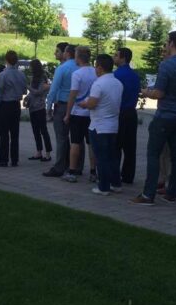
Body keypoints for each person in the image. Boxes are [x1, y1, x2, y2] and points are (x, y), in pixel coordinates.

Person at [131, 31, 176, 205]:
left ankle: (148, 194)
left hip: (164, 116)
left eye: (167, 42)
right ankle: (171, 192)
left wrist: (145, 92)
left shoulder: (166, 65)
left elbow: (159, 93)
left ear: (172, 43)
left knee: (153, 153)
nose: (165, 45)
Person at [79, 53, 123, 195]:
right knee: (112, 157)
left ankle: (103, 186)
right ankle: (116, 183)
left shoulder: (98, 83)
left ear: (100, 68)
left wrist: (84, 104)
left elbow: (92, 103)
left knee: (102, 157)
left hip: (99, 125)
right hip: (113, 125)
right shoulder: (118, 83)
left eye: (96, 66)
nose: (95, 69)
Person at [63, 46, 96, 183]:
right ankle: (93, 172)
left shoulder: (77, 74)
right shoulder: (96, 72)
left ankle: (72, 171)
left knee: (75, 142)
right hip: (91, 113)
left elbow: (72, 95)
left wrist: (67, 114)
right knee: (91, 144)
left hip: (77, 113)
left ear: (78, 57)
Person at [44, 42, 76, 177]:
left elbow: (53, 89)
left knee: (61, 138)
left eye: (57, 51)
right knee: (76, 139)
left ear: (65, 53)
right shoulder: (81, 67)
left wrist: (48, 107)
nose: (55, 53)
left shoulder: (62, 68)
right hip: (78, 106)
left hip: (62, 105)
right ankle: (75, 166)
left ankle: (59, 167)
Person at [0, 50, 27, 167]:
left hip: (5, 105)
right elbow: (24, 90)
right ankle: (15, 159)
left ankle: (3, 159)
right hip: (16, 105)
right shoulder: (21, 74)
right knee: (15, 134)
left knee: (4, 134)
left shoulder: (3, 75)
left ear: (6, 60)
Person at [113, 47, 140, 184]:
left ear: (123, 58)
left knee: (116, 145)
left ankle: (114, 174)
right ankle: (128, 175)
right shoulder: (135, 75)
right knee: (130, 147)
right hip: (131, 112)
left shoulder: (116, 75)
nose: (114, 57)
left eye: (116, 55)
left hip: (120, 112)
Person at [25, 58, 52, 161]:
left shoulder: (42, 78)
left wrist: (27, 87)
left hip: (40, 108)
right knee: (35, 131)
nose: (30, 69)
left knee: (43, 131)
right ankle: (39, 152)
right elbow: (32, 93)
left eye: (31, 67)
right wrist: (27, 98)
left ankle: (48, 154)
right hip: (32, 108)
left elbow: (38, 92)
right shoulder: (33, 78)